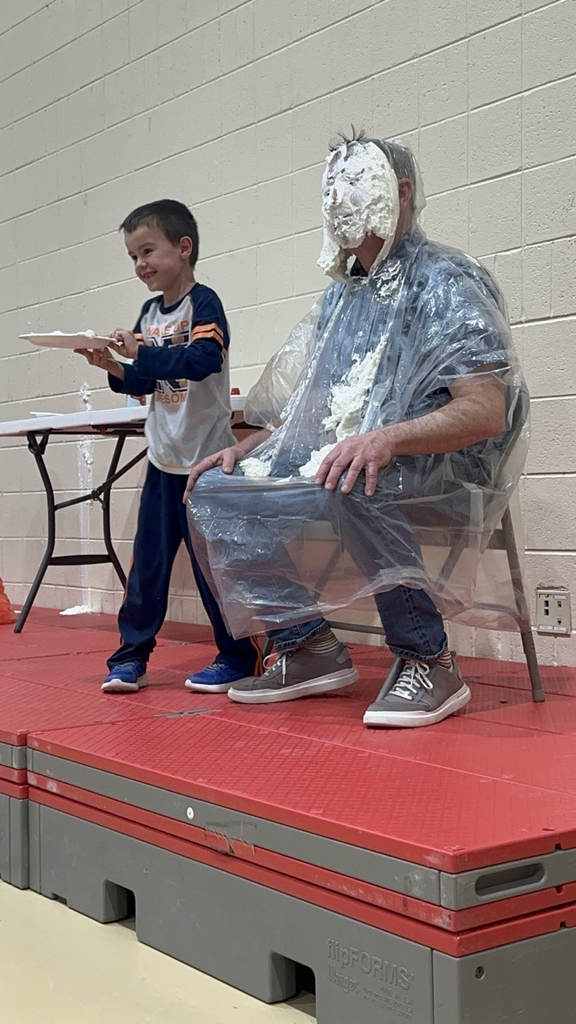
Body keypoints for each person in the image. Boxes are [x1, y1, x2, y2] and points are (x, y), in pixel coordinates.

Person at [184, 137, 527, 728]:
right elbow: (316, 421)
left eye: (353, 185)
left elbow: (486, 413)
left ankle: (430, 659)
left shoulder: (446, 282)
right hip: (358, 458)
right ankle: (306, 644)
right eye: (330, 188)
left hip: (446, 464)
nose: (337, 200)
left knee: (353, 472)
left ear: (399, 194)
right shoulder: (344, 300)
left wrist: (386, 438)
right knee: (213, 490)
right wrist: (244, 452)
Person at [75, 199, 262, 693]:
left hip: (206, 464)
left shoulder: (205, 303)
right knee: (148, 569)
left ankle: (238, 656)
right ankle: (130, 657)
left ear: (184, 248)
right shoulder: (148, 313)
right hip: (163, 463)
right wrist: (112, 366)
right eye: (133, 256)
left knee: (213, 571)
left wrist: (144, 352)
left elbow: (202, 359)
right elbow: (143, 380)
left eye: (148, 251)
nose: (140, 265)